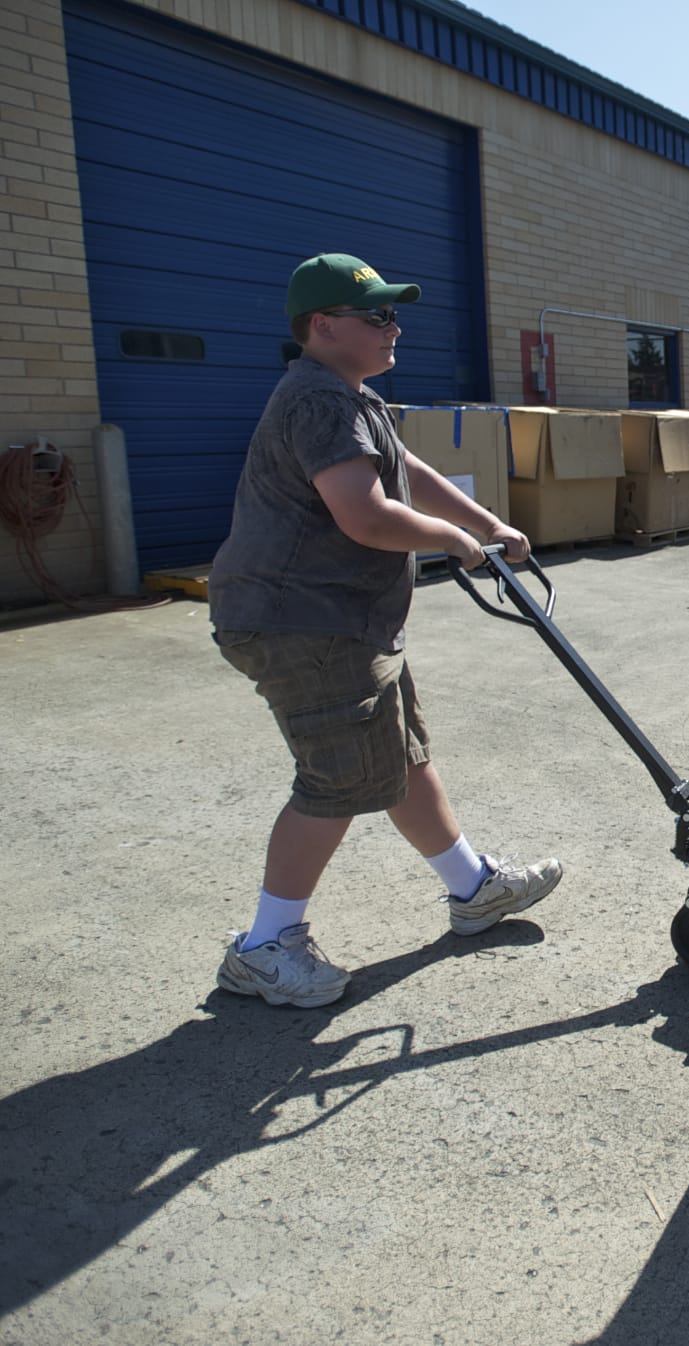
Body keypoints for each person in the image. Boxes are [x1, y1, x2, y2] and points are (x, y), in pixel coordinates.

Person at [206, 252, 563, 1008]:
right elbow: (365, 514)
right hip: (298, 620)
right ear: (323, 325)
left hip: (347, 619)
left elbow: (406, 470)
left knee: (400, 756)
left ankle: (474, 888)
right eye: (378, 316)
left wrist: (486, 521)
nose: (394, 326)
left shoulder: (353, 396)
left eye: (394, 313)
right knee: (336, 782)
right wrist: (449, 538)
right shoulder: (318, 400)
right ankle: (264, 944)